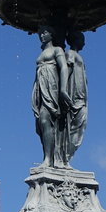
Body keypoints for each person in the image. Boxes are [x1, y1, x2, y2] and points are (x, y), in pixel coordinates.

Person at [31, 26, 68, 169]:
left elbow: (64, 67)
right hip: (40, 89)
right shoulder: (42, 53)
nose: (41, 35)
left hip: (51, 87)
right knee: (41, 124)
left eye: (45, 32)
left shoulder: (57, 50)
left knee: (46, 119)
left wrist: (63, 89)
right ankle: (49, 157)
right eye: (40, 33)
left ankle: (48, 159)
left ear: (52, 34)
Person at [63, 30, 88, 165]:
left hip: (81, 99)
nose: (84, 42)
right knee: (72, 128)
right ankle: (64, 157)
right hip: (74, 98)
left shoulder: (76, 55)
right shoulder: (70, 54)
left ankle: (66, 157)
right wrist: (64, 92)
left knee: (79, 128)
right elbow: (67, 73)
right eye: (82, 39)